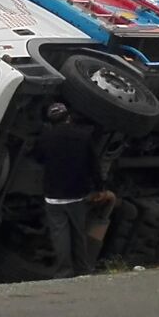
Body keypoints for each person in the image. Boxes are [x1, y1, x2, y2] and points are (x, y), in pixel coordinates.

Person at [33, 102, 114, 277]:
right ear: (68, 117)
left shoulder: (46, 138)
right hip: (76, 193)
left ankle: (64, 271)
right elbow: (94, 164)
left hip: (53, 195)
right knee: (78, 233)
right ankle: (83, 269)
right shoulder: (83, 136)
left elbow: (38, 158)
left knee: (59, 234)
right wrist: (99, 187)